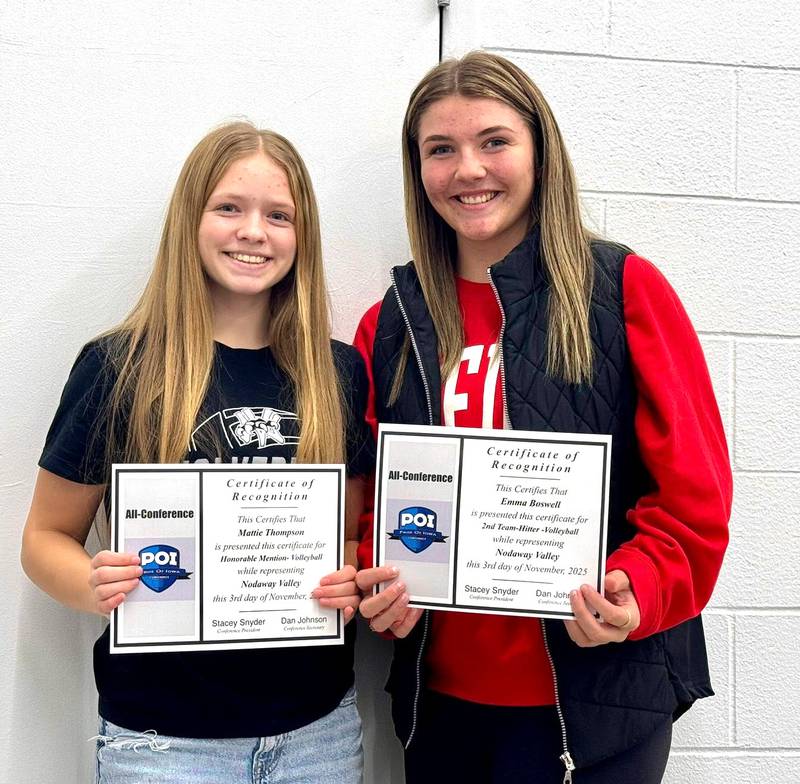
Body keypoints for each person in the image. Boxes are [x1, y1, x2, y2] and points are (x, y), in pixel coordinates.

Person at [354, 51, 732, 784]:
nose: (469, 169)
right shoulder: (392, 323)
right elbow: (371, 502)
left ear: (538, 150)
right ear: (419, 169)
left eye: (494, 141)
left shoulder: (624, 292)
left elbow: (695, 498)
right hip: (442, 708)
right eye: (441, 149)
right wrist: (379, 579)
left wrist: (637, 587)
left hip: (594, 707)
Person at [20, 122, 373, 783]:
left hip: (319, 734)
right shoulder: (118, 367)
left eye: (279, 216)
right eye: (229, 208)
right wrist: (95, 585)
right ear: (192, 220)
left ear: (302, 237)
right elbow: (43, 540)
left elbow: (347, 542)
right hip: (161, 745)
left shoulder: (339, 374)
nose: (254, 232)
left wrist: (347, 577)